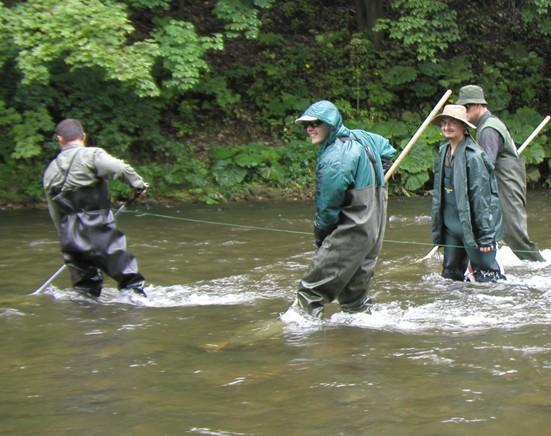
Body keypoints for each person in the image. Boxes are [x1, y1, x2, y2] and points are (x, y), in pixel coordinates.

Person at [290, 100, 396, 318]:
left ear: (330, 123)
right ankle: (356, 338)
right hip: (373, 229)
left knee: (311, 291)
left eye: (315, 123)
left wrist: (322, 235)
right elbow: (387, 148)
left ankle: (294, 335)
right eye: (306, 125)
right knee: (354, 299)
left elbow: (328, 206)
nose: (310, 129)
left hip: (352, 227)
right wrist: (380, 168)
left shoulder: (334, 158)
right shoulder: (363, 136)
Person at [43, 119, 149, 298]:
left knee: (86, 291)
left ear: (59, 139)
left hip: (68, 235)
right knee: (129, 281)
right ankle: (138, 309)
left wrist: (66, 238)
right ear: (84, 136)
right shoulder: (92, 155)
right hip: (98, 228)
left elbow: (54, 212)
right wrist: (139, 185)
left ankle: (87, 320)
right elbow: (120, 168)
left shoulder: (50, 170)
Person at [457, 85, 545, 262]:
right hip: (504, 181)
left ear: (477, 105)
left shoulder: (488, 129)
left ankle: (541, 267)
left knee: (514, 233)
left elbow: (485, 166)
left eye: (465, 108)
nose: (464, 114)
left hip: (506, 184)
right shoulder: (489, 124)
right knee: (502, 231)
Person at [431, 105, 505, 282]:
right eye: (444, 123)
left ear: (463, 126)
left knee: (487, 277)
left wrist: (486, 237)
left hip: (475, 229)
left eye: (452, 123)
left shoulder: (475, 157)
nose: (447, 127)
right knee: (450, 276)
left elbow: (483, 199)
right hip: (451, 228)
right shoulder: (443, 151)